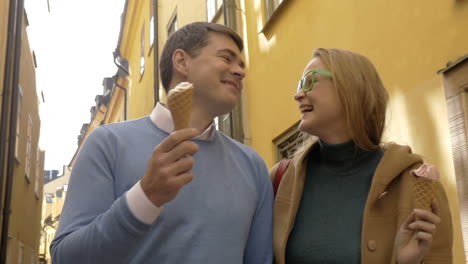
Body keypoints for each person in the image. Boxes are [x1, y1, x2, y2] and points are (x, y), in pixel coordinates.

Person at [51, 22, 273, 263]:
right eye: (226, 58)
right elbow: (66, 257)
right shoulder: (108, 144)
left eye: (241, 64)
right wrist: (146, 196)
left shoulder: (253, 166)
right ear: (181, 62)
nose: (240, 71)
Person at [270, 48, 452, 264]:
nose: (298, 94)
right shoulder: (280, 179)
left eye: (309, 81)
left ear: (351, 87)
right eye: (300, 84)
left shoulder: (417, 184)